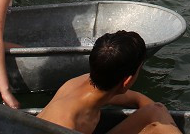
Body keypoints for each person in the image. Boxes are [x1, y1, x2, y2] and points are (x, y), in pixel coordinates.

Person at [37, 30, 182, 134]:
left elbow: (138, 99)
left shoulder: (91, 83)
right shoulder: (65, 123)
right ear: (127, 81)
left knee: (156, 111)